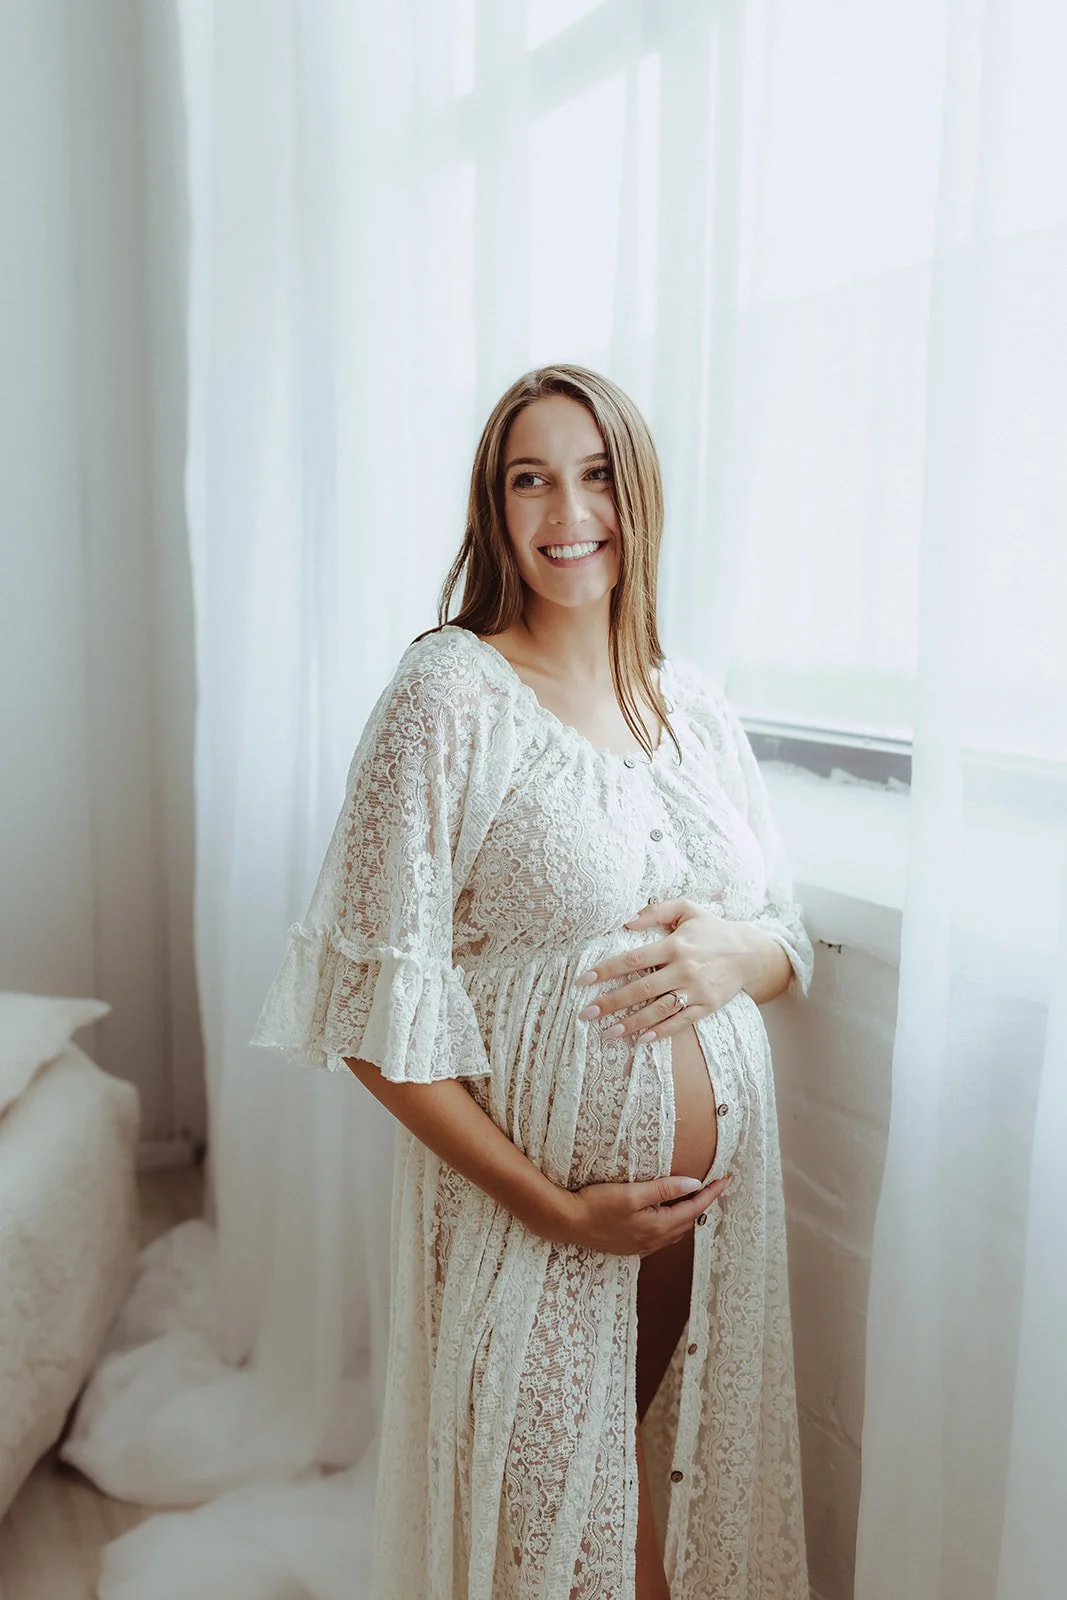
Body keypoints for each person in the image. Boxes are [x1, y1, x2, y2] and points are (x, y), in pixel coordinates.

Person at [251, 363, 813, 1599]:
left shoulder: (690, 708)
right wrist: (554, 1209)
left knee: (648, 1507)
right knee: (574, 1553)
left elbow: (786, 929)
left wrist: (739, 955)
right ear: (494, 511)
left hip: (704, 1235)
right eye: (530, 478)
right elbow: (366, 1013)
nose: (569, 508)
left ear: (638, 492)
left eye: (597, 472)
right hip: (542, 1223)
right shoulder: (449, 689)